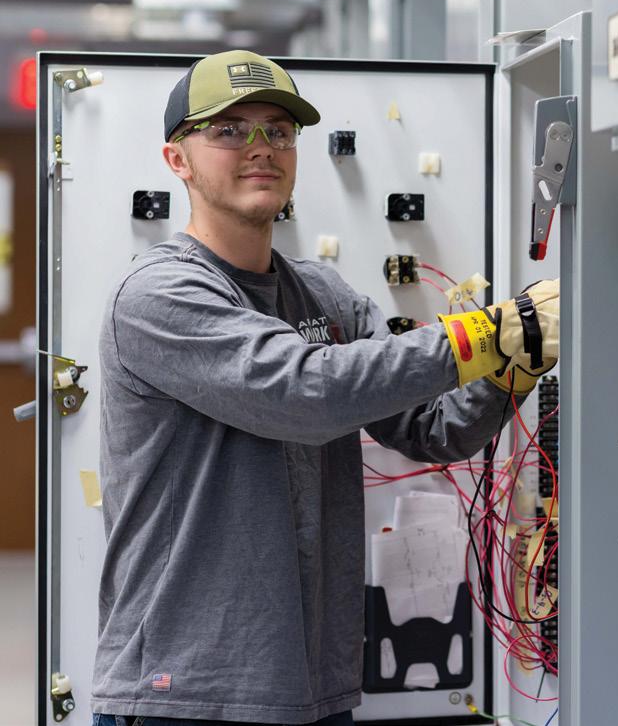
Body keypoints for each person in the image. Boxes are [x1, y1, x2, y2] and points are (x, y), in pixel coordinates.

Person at [90, 50, 559, 726]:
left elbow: (433, 428)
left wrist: (515, 367)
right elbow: (305, 394)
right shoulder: (158, 294)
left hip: (313, 687)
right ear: (177, 159)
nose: (261, 147)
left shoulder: (323, 295)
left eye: (280, 132)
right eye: (230, 130)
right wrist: (492, 331)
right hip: (185, 692)